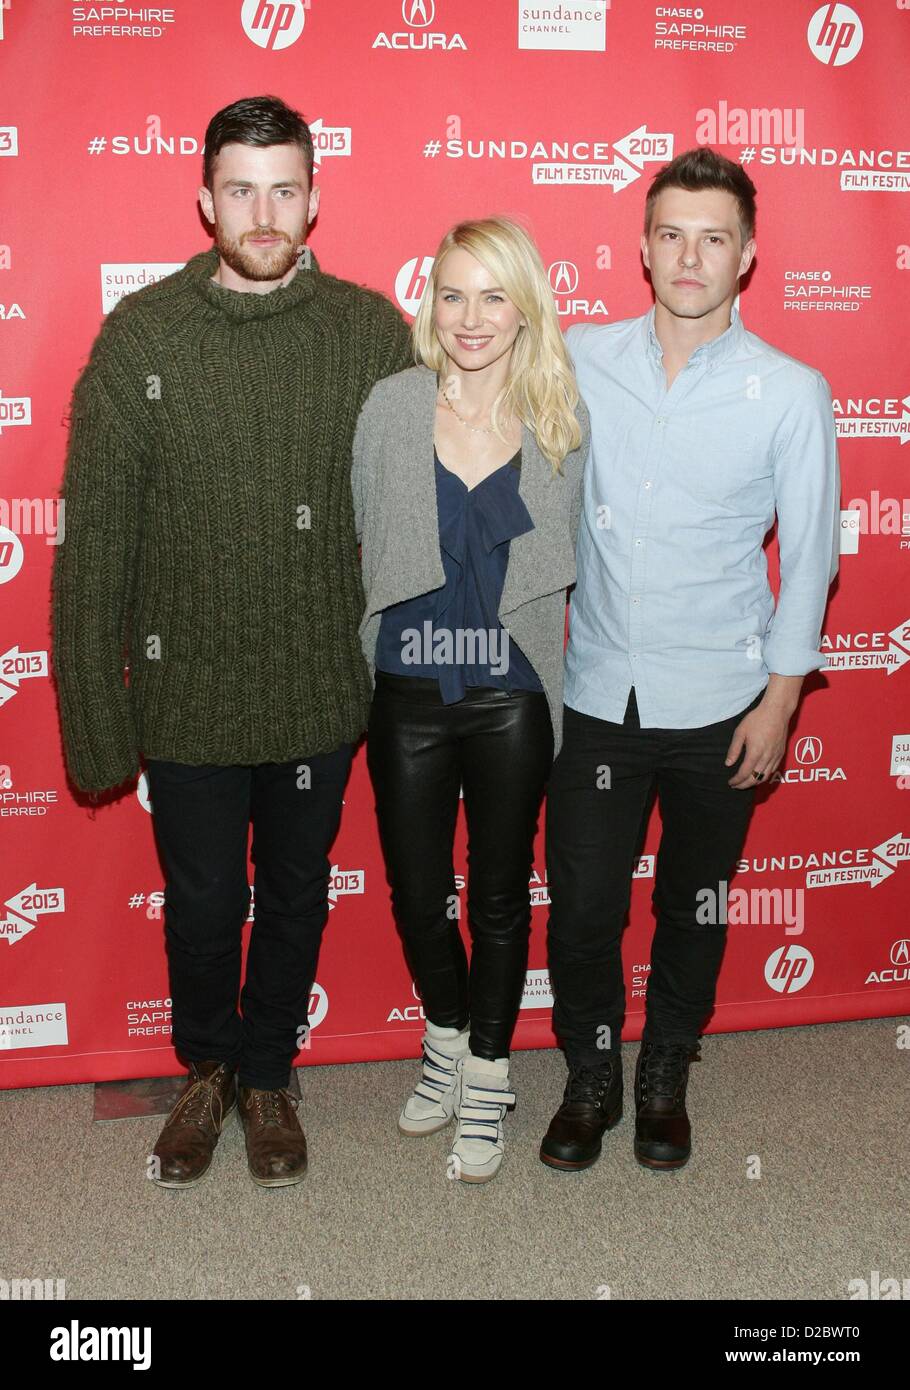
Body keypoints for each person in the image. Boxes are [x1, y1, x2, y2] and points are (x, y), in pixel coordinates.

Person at [51, 95, 413, 1189]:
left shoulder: (367, 335)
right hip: (187, 695)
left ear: (314, 199)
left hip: (318, 690)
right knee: (206, 901)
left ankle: (268, 1073)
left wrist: (410, 692)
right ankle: (207, 1064)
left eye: (286, 188)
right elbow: (94, 546)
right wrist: (96, 715)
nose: (265, 211)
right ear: (205, 198)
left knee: (297, 892)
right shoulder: (142, 339)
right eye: (243, 189)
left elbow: (403, 528)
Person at [540, 147, 840, 1173]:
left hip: (723, 697)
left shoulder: (790, 391)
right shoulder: (581, 356)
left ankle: (664, 1071)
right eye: (670, 233)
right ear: (641, 245)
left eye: (713, 237)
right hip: (596, 694)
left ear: (746, 255)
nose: (689, 254)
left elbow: (810, 553)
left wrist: (781, 699)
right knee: (580, 906)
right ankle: (591, 1076)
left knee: (694, 903)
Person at [352, 217, 590, 1183]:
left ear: (526, 305)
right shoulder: (391, 407)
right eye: (454, 293)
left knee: (496, 898)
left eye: (495, 295)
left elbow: (572, 563)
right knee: (417, 895)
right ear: (430, 304)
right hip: (408, 685)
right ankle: (444, 1039)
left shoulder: (560, 415)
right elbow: (364, 543)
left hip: (510, 691)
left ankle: (487, 1074)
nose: (473, 316)